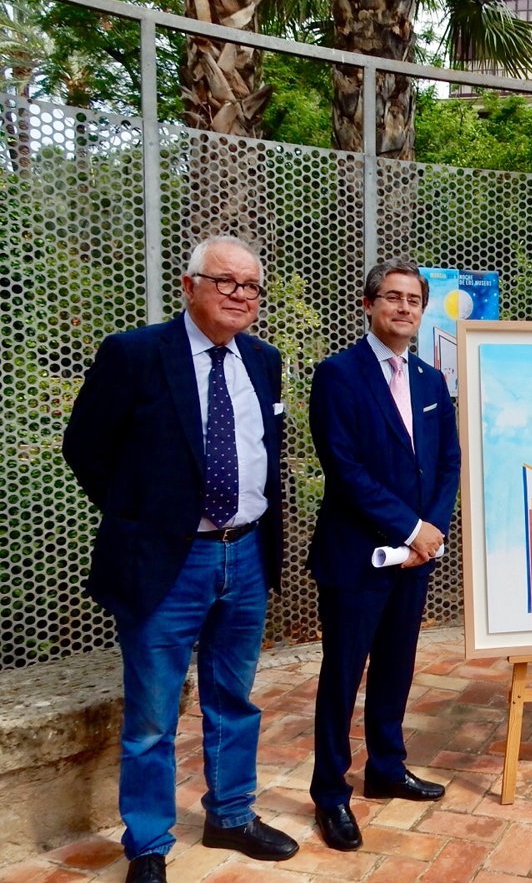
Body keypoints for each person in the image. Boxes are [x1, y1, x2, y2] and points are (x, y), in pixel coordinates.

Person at [63, 236, 298, 883]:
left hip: (245, 554)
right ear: (189, 285)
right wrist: (142, 517)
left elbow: (266, 451)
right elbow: (85, 447)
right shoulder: (134, 354)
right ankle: (147, 843)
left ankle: (231, 814)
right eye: (225, 281)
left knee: (234, 699)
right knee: (151, 715)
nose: (240, 295)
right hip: (166, 562)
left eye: (251, 286)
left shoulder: (264, 360)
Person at [307, 260, 461, 852]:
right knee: (343, 676)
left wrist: (433, 530)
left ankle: (387, 768)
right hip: (357, 556)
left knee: (397, 665)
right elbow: (344, 467)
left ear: (423, 310)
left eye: (413, 300)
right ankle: (330, 793)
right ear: (368, 305)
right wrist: (411, 527)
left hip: (417, 556)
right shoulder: (337, 375)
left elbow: (447, 460)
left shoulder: (430, 380)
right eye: (392, 297)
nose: (403, 308)